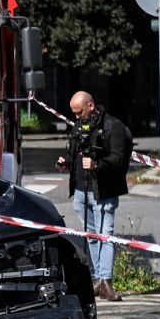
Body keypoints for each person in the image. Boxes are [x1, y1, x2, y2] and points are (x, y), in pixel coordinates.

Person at [56, 91, 128, 302]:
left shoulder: (113, 126)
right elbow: (74, 152)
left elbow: (118, 158)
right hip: (80, 190)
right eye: (74, 114)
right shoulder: (79, 126)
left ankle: (106, 281)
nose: (77, 117)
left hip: (103, 191)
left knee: (105, 235)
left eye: (79, 113)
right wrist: (65, 163)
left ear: (90, 105)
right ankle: (97, 278)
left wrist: (98, 164)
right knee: (92, 236)